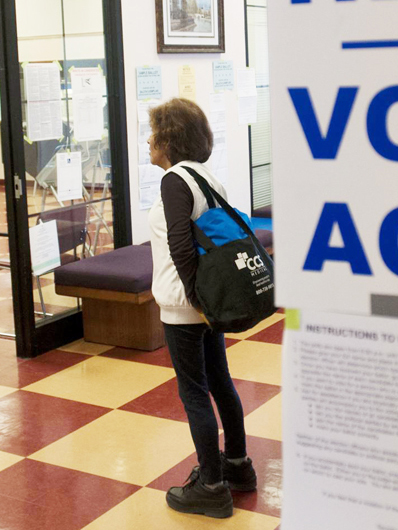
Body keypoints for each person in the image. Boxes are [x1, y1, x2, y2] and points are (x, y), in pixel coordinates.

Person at [147, 98, 256, 518]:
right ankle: (238, 466)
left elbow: (178, 242)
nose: (149, 140)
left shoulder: (174, 179)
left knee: (194, 393)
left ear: (169, 140)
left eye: (154, 133)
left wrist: (194, 298)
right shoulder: (205, 178)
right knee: (221, 383)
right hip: (207, 307)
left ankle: (210, 486)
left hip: (186, 309)